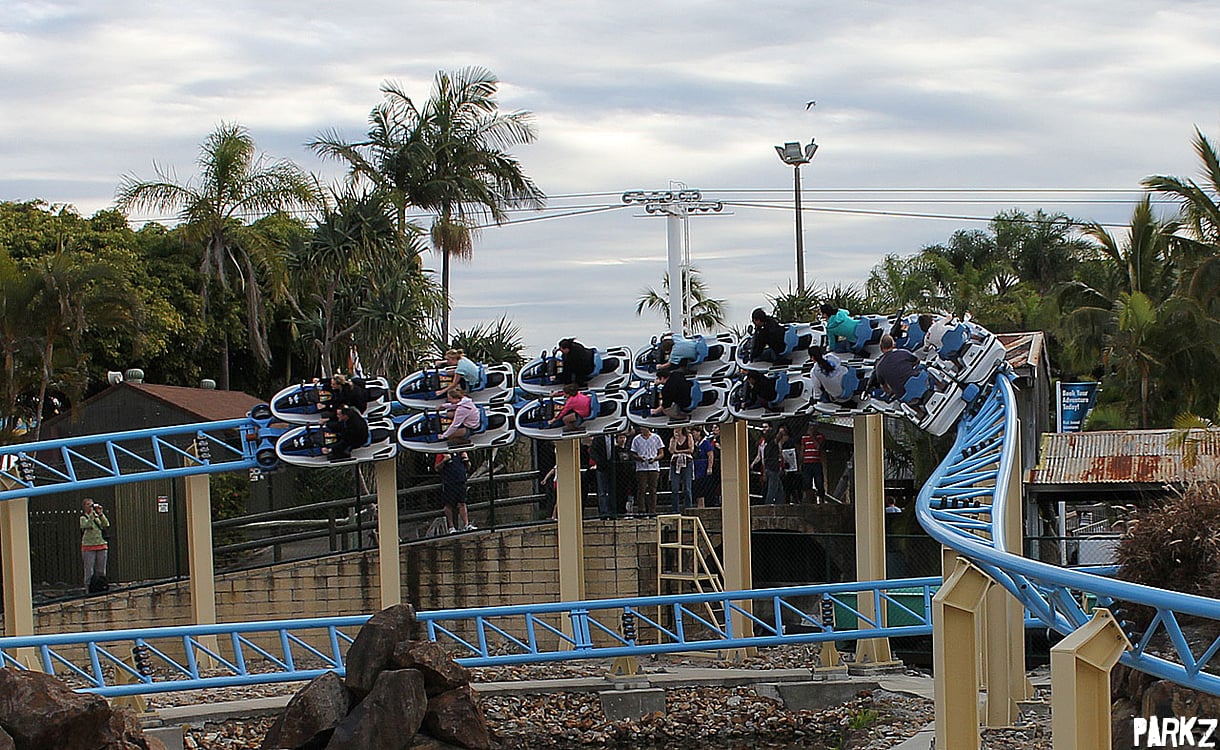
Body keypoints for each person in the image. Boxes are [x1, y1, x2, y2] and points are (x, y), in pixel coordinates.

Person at [872, 334, 922, 399]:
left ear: (881, 348)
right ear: (893, 345)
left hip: (903, 393)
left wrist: (891, 392)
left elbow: (884, 386)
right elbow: (917, 360)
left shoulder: (879, 367)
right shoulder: (903, 352)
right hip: (918, 381)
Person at [435, 451, 475, 533]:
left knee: (462, 503)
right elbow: (437, 468)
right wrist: (445, 460)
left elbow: (468, 467)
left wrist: (466, 459)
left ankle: (466, 525)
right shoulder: (442, 452)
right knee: (449, 505)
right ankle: (451, 527)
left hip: (461, 480)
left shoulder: (461, 451)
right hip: (448, 482)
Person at [630, 425, 664, 515]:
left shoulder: (656, 438)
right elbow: (633, 453)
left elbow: (661, 453)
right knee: (642, 489)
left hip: (654, 467)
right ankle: (641, 509)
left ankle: (652, 510)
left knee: (653, 489)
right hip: (641, 468)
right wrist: (639, 458)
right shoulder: (636, 439)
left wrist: (655, 459)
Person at [80, 498, 110, 593]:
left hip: (101, 545)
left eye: (91, 504)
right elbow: (87, 525)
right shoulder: (83, 518)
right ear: (84, 506)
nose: (90, 506)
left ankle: (101, 587)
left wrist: (100, 514)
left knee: (101, 570)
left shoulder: (97, 516)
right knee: (89, 571)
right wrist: (91, 515)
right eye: (88, 504)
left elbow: (106, 524)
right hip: (88, 546)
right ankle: (88, 590)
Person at [668, 425, 695, 513]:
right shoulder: (672, 439)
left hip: (687, 461)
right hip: (675, 462)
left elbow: (691, 449)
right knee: (674, 488)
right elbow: (671, 450)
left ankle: (688, 508)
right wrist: (675, 440)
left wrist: (679, 451)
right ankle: (675, 509)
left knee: (687, 488)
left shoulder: (688, 436)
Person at [589, 433, 616, 518]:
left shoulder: (613, 437)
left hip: (612, 466)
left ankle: (612, 511)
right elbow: (593, 451)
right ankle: (603, 512)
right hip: (601, 467)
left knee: (612, 490)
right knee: (602, 491)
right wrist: (599, 461)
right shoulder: (598, 437)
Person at [693, 424, 721, 508]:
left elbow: (710, 455)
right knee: (698, 487)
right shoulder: (695, 443)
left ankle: (708, 503)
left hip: (704, 467)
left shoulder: (705, 443)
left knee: (705, 485)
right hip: (697, 468)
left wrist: (709, 467)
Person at [800, 426, 826, 503]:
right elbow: (802, 450)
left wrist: (812, 437)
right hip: (807, 463)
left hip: (816, 462)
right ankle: (809, 499)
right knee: (807, 482)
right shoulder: (804, 437)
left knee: (819, 482)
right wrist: (800, 462)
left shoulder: (820, 436)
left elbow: (818, 447)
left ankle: (821, 498)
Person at [760, 427, 784, 505]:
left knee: (779, 490)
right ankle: (768, 505)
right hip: (773, 469)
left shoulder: (766, 446)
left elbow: (764, 459)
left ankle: (780, 503)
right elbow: (778, 437)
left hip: (769, 468)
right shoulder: (772, 443)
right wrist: (780, 431)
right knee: (772, 490)